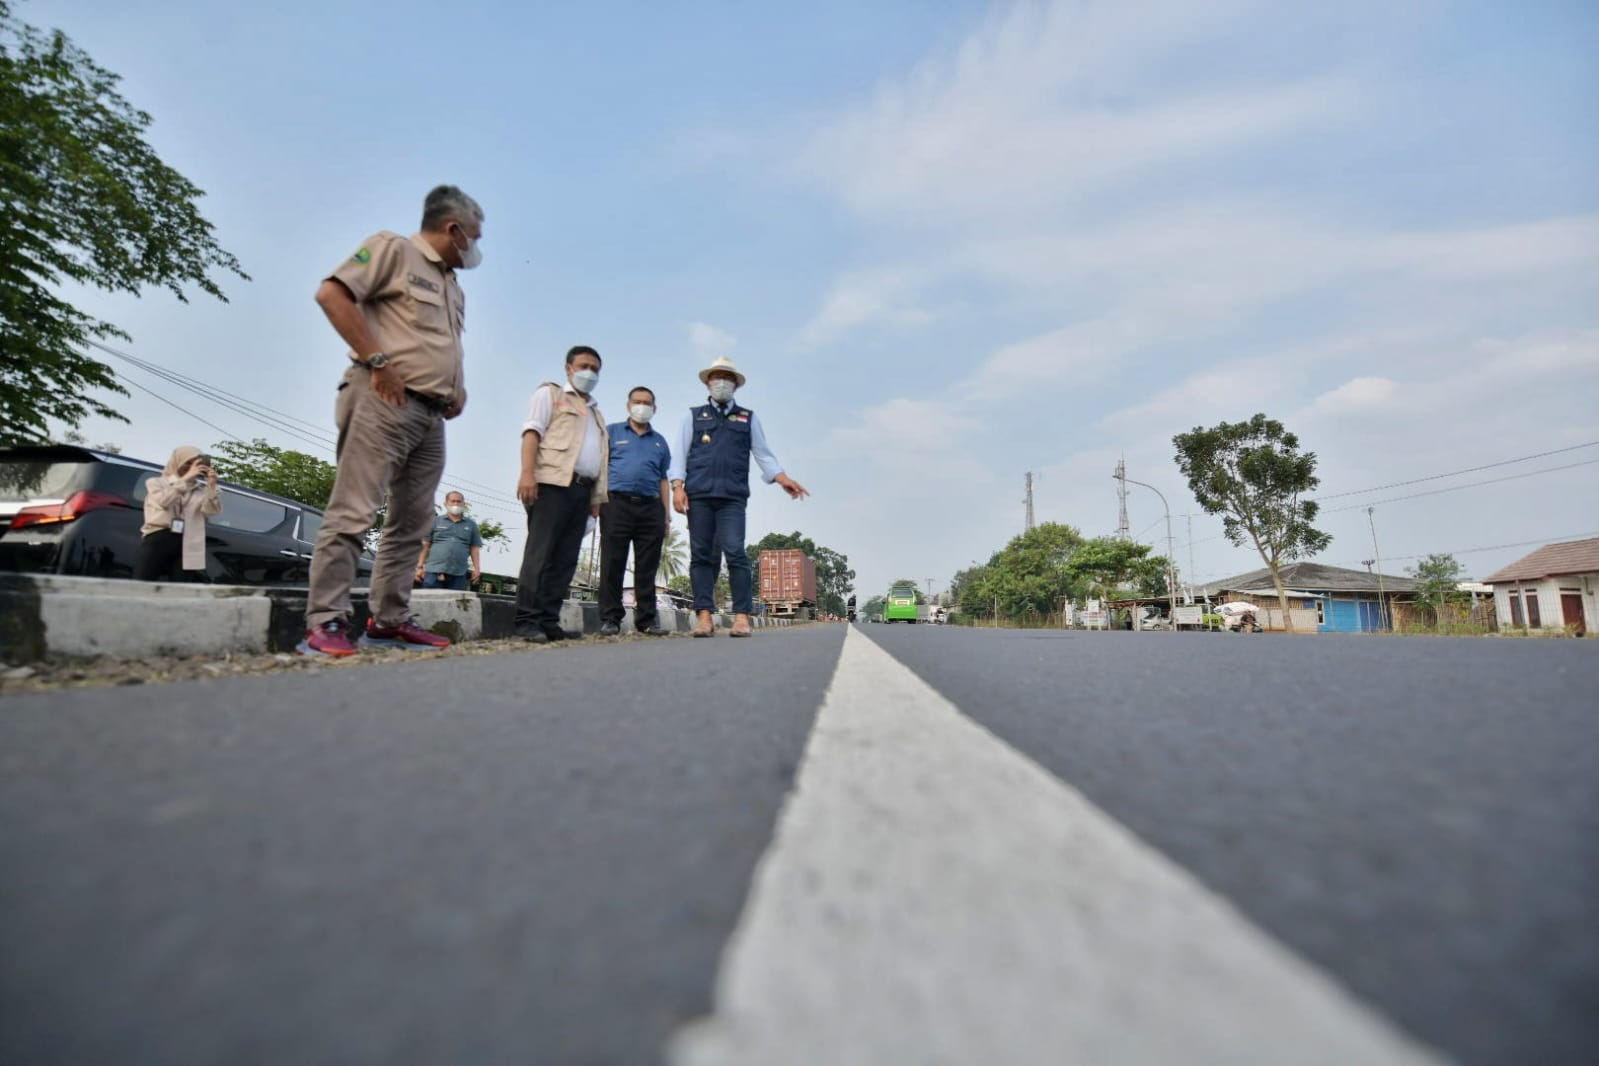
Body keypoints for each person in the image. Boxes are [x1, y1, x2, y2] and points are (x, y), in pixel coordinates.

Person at [298, 185, 483, 657]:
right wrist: (377, 361)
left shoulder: (452, 285)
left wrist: (453, 386)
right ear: (452, 228)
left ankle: (390, 620)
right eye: (474, 237)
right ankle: (326, 621)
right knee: (355, 510)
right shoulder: (392, 250)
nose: (476, 248)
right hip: (382, 399)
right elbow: (332, 294)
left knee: (413, 521)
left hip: (431, 415)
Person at [668, 356, 808, 638]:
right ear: (708, 382)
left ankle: (742, 618)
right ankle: (705, 617)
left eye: (727, 378)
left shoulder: (747, 418)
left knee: (735, 552)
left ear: (736, 384)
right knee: (702, 556)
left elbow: (763, 454)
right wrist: (677, 487)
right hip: (700, 496)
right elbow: (679, 454)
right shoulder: (693, 416)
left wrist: (782, 479)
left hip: (732, 498)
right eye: (716, 377)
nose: (722, 382)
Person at [514, 346, 609, 644]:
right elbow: (532, 432)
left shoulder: (596, 413)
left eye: (595, 369)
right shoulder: (550, 395)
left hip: (582, 491)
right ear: (568, 368)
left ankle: (548, 620)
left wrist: (595, 500)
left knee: (565, 560)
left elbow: (599, 459)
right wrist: (527, 473)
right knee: (540, 555)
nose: (589, 373)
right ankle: (526, 621)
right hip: (552, 484)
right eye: (584, 366)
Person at [597, 386, 672, 637]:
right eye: (638, 401)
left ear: (655, 408)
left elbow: (663, 480)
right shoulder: (612, 432)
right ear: (628, 405)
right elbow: (601, 468)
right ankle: (610, 619)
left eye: (647, 402)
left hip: (651, 507)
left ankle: (647, 620)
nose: (642, 406)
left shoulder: (660, 442)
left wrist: (666, 514)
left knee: (647, 567)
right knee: (612, 563)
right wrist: (596, 501)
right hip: (616, 504)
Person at [135, 445, 222, 582]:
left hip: (189, 540)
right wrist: (186, 479)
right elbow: (164, 502)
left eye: (195, 464)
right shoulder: (156, 482)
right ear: (177, 461)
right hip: (159, 536)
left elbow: (210, 511)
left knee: (181, 587)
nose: (191, 467)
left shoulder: (199, 490)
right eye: (187, 463)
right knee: (143, 581)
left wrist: (211, 486)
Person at [414, 490, 483, 590]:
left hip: (458, 573)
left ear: (463, 504)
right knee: (431, 601)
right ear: (446, 503)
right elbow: (425, 545)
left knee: (455, 603)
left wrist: (477, 569)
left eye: (459, 501)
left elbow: (474, 548)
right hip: (433, 571)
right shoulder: (435, 521)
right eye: (453, 501)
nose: (456, 504)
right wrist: (420, 567)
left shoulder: (471, 525)